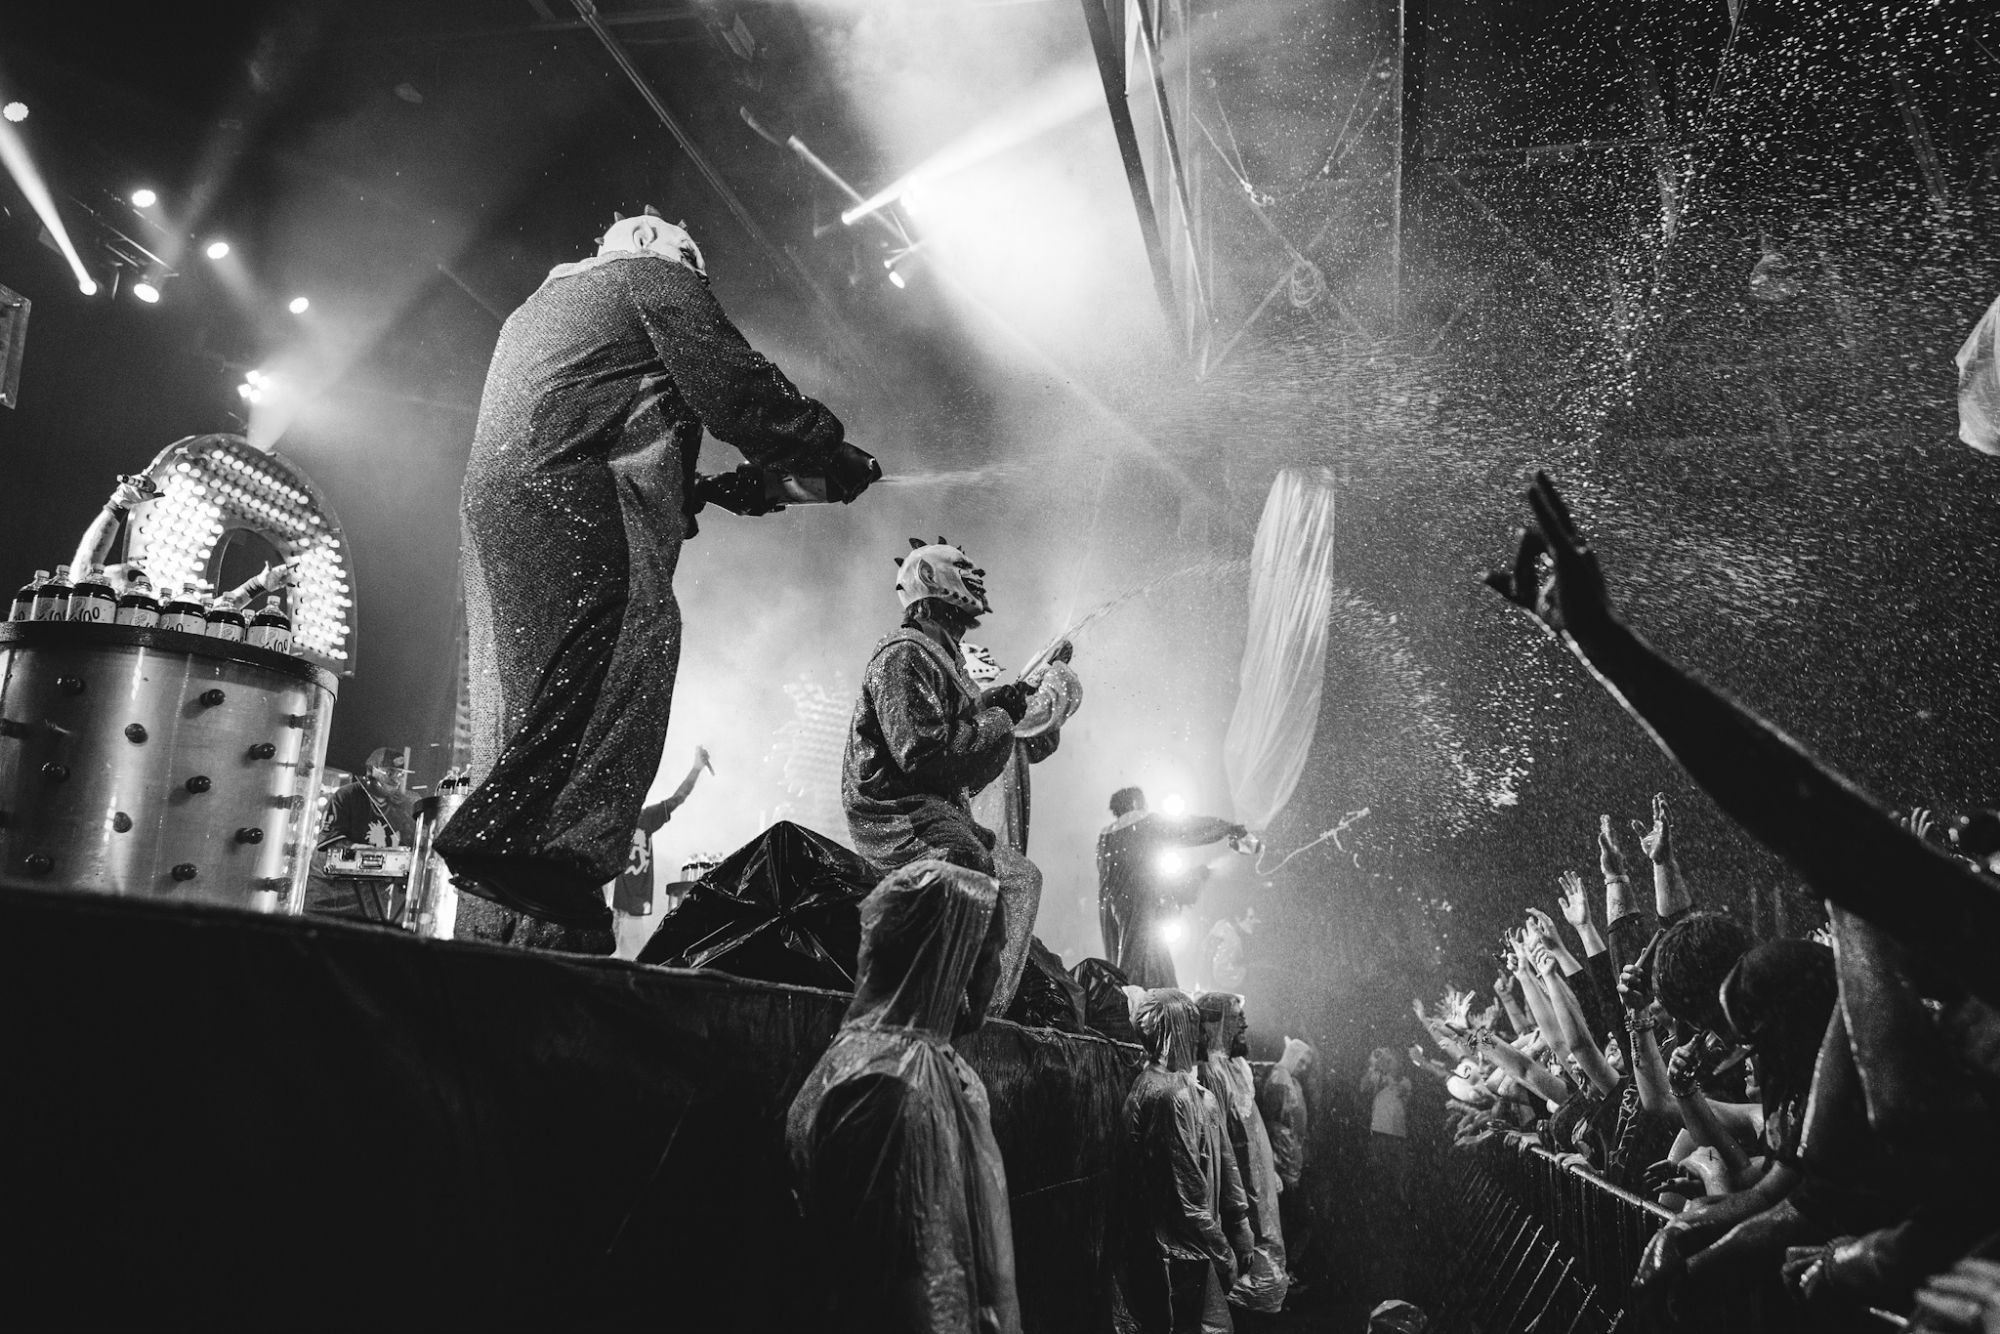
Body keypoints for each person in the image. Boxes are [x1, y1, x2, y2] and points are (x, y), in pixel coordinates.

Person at [438, 206, 879, 955]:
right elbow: (734, 383)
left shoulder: (538, 312)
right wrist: (821, 448)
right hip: (579, 501)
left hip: (502, 509)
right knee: (626, 650)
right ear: (672, 252)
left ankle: (498, 927)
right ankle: (538, 863)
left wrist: (723, 488)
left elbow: (604, 421)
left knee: (522, 691)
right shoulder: (652, 277)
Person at [784, 859, 1018, 1334]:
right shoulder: (886, 1089)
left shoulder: (921, 1066)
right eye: (992, 953)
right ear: (954, 957)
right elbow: (908, 1295)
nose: (998, 972)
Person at [843, 539, 1043, 1015]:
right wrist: (1001, 716)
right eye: (962, 568)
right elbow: (924, 754)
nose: (974, 577)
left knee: (1020, 878)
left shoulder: (942, 656)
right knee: (966, 864)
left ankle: (986, 1013)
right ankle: (939, 1008)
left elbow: (965, 731)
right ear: (934, 584)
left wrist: (1008, 699)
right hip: (896, 810)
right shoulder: (905, 652)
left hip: (938, 807)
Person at [1118, 988, 1254, 1334]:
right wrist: (1224, 1250)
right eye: (1191, 1025)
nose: (1199, 1036)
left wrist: (1237, 1221)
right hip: (1179, 1255)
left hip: (1187, 1250)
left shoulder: (1178, 1089)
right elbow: (1188, 1194)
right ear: (1174, 1030)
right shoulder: (1169, 1096)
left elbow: (1222, 1159)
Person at [1097, 788, 1247, 988]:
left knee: (1129, 970)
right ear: (1135, 804)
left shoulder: (1105, 839)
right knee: (1148, 975)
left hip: (1118, 915)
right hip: (1143, 913)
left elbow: (1132, 878)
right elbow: (1186, 829)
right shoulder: (1144, 824)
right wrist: (1226, 828)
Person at [1196, 991, 1288, 1315]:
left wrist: (1270, 1167)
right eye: (1237, 1017)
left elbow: (1252, 1127)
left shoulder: (1238, 1067)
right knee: (1244, 1278)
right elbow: (1220, 1143)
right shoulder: (1211, 1072)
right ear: (1218, 1023)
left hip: (1258, 1189)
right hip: (1241, 1196)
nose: (1244, 1023)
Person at [960, 641, 1070, 858]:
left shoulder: (981, 706)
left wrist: (1032, 685)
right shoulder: (981, 708)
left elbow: (1041, 743)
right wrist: (1057, 670)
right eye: (973, 652)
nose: (984, 652)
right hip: (987, 827)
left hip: (990, 828)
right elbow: (1044, 711)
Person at [608, 746, 711, 954]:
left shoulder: (646, 818)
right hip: (608, 904)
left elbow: (677, 799)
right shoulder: (607, 820)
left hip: (632, 907)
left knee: (632, 961)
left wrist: (696, 769)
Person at [307, 746, 417, 923]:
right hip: (329, 896)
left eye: (400, 773)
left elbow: (411, 845)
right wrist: (365, 852)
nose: (397, 779)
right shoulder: (347, 796)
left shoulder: (402, 806)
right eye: (390, 772)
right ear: (372, 771)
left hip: (373, 901)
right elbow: (330, 843)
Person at [1259, 1037, 1315, 1271]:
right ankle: (1283, 1271)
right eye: (1300, 1061)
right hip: (1281, 1163)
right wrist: (1274, 1164)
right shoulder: (1279, 1079)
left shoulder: (1289, 1080)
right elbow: (1272, 1122)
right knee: (1289, 1220)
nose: (1303, 1067)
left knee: (1292, 1220)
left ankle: (1284, 1271)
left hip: (1288, 1161)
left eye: (1306, 1064)